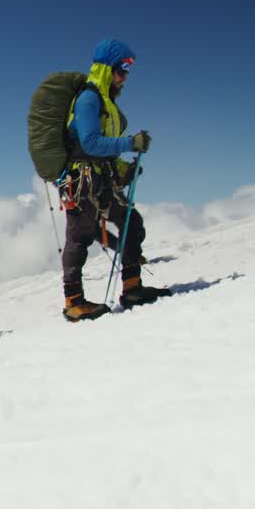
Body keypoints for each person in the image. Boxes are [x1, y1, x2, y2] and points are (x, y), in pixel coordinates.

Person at [58, 39, 170, 321]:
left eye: (127, 72)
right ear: (107, 70)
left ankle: (132, 287)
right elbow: (91, 143)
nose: (125, 78)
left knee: (131, 222)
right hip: (82, 181)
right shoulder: (88, 99)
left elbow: (105, 151)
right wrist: (130, 143)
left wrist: (124, 168)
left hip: (101, 179)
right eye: (121, 71)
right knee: (79, 237)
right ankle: (74, 302)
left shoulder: (106, 102)